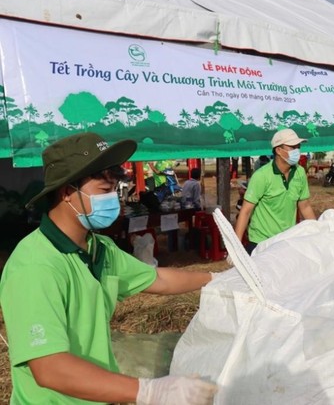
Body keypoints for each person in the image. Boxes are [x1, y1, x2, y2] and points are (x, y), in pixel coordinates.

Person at [0, 133, 217, 404]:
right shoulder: (35, 265)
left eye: (114, 190)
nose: (113, 200)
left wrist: (215, 278)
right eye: (104, 192)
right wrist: (149, 391)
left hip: (99, 395)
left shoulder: (99, 248)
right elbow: (49, 368)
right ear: (68, 193)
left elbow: (158, 278)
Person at [235, 129, 316, 254]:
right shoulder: (262, 176)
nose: (297, 151)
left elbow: (304, 206)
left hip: (287, 241)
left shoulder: (300, 173)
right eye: (292, 147)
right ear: (278, 150)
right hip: (261, 242)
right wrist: (236, 246)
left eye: (298, 147)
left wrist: (318, 233)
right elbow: (246, 211)